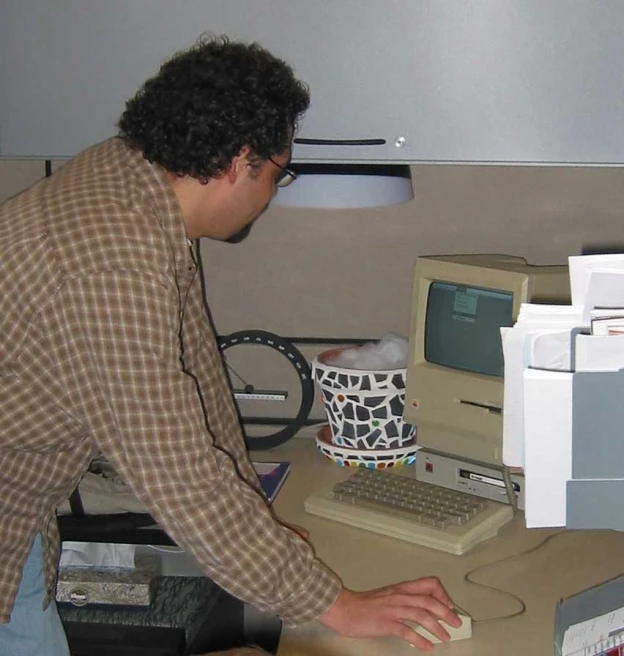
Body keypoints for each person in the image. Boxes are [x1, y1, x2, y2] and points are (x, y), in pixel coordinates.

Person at [0, 36, 460, 654]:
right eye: (278, 173)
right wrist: (336, 605)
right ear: (240, 161)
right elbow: (178, 475)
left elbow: (200, 373)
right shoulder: (112, 263)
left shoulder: (134, 181)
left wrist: (255, 516)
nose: (272, 194)